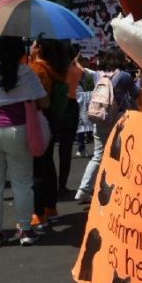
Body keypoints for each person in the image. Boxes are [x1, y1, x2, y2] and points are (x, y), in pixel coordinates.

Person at [0, 36, 48, 247]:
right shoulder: (26, 72)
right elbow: (44, 101)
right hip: (16, 129)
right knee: (22, 181)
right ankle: (25, 229)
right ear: (20, 53)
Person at [74, 48, 137, 203]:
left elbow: (82, 70)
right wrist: (139, 80)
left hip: (100, 118)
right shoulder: (125, 76)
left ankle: (83, 189)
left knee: (98, 156)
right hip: (118, 120)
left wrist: (75, 59)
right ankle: (116, 188)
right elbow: (135, 93)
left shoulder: (98, 75)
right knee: (120, 154)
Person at [28, 36, 69, 229]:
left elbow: (36, 97)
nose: (30, 46)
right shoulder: (58, 68)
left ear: (39, 48)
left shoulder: (37, 69)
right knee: (48, 163)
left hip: (39, 118)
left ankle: (38, 213)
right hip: (53, 118)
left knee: (37, 166)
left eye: (34, 44)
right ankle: (51, 208)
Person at [56, 44, 84, 200]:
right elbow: (82, 72)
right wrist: (76, 61)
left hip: (57, 105)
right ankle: (62, 185)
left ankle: (51, 184)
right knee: (65, 151)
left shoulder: (56, 69)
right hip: (71, 106)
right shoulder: (76, 70)